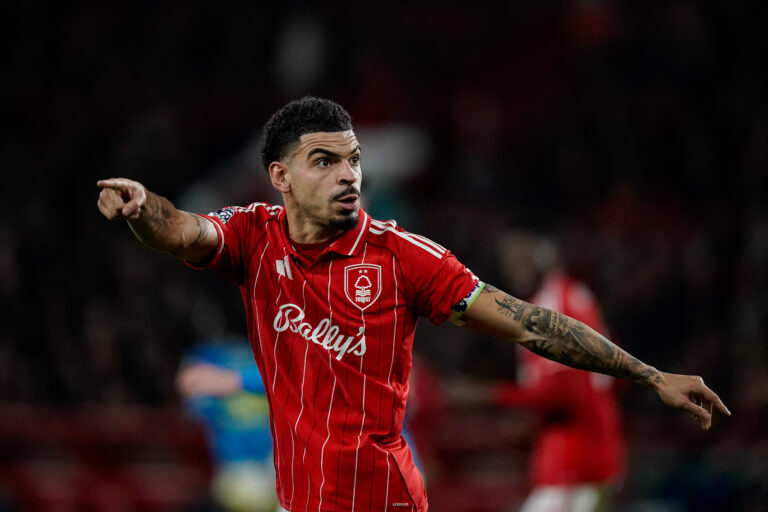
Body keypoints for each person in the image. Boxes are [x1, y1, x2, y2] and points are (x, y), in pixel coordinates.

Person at [96, 96, 729, 512]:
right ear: (280, 176)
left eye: (353, 160)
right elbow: (181, 230)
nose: (348, 174)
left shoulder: (403, 258)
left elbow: (530, 325)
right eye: (325, 161)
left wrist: (650, 376)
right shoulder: (252, 237)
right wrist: (141, 208)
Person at [450, 231, 626, 512]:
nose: (514, 267)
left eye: (523, 256)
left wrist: (485, 394)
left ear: (544, 255)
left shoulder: (559, 302)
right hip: (568, 454)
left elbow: (566, 391)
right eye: (510, 260)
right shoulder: (550, 300)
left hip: (579, 460)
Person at [176, 337, 280, 512]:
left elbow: (296, 377)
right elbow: (189, 390)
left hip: (277, 461)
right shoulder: (204, 355)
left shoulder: (271, 345)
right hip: (233, 464)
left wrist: (235, 380)